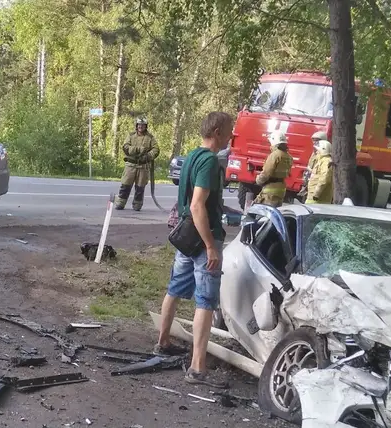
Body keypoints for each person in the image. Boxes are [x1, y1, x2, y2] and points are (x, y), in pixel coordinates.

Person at [155, 111, 234, 388]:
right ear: (217, 131)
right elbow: (197, 205)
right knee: (206, 301)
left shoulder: (191, 156)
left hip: (186, 237)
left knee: (175, 289)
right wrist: (211, 246)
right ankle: (197, 368)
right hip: (202, 237)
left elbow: (189, 202)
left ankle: (163, 342)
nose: (231, 136)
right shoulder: (210, 162)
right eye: (229, 131)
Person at [116, 118, 160, 211]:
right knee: (125, 185)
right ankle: (120, 203)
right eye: (139, 125)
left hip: (143, 167)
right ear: (136, 126)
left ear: (146, 126)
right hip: (130, 165)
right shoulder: (131, 136)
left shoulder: (150, 137)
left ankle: (137, 205)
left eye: (143, 125)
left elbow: (156, 150)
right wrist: (138, 149)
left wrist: (148, 156)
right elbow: (125, 147)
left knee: (140, 187)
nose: (141, 127)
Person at [253, 130, 293, 207]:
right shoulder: (288, 157)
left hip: (270, 189)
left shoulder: (275, 155)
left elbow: (266, 173)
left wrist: (258, 180)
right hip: (281, 189)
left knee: (265, 214)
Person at [298, 131, 328, 200]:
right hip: (309, 184)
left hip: (315, 186)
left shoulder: (323, 155)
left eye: (317, 141)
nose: (314, 143)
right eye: (313, 140)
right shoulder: (314, 153)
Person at [305, 139, 334, 204]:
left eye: (317, 150)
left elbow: (324, 178)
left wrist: (316, 194)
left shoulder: (326, 161)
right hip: (314, 197)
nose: (316, 152)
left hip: (318, 199)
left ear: (323, 150)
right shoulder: (322, 161)